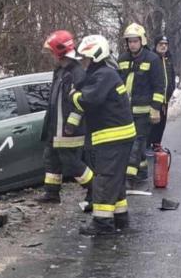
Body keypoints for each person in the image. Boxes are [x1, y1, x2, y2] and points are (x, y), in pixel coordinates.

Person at [70, 34, 135, 235]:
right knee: (115, 180)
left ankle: (102, 224)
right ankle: (120, 218)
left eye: (86, 58)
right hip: (117, 137)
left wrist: (74, 95)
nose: (83, 62)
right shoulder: (104, 74)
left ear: (96, 57)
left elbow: (90, 100)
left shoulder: (104, 75)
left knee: (105, 180)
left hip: (112, 137)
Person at [37, 30, 94, 205]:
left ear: (59, 51)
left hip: (68, 128)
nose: (51, 56)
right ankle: (52, 193)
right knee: (51, 158)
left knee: (71, 162)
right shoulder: (61, 70)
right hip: (56, 126)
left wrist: (71, 124)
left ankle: (94, 188)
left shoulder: (77, 73)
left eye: (52, 52)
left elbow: (82, 102)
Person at [117, 23, 164, 187]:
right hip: (126, 111)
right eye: (129, 41)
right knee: (130, 142)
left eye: (135, 41)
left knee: (136, 142)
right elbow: (117, 83)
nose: (132, 44)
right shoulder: (122, 59)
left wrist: (156, 109)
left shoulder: (153, 59)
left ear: (142, 41)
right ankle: (142, 171)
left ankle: (128, 177)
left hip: (145, 112)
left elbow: (159, 86)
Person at [148, 35, 178, 147]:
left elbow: (171, 77)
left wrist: (170, 91)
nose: (163, 46)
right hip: (153, 101)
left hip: (165, 101)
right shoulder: (151, 59)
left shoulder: (169, 59)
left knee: (161, 126)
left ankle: (157, 146)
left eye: (166, 44)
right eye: (161, 44)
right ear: (156, 45)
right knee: (151, 127)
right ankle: (147, 149)